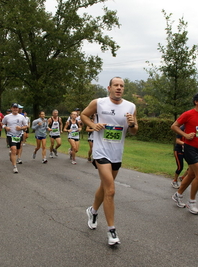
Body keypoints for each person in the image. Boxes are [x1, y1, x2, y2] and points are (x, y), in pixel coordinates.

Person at [81, 76, 138, 246]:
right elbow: (84, 115)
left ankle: (92, 211)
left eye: (121, 86)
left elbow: (134, 131)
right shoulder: (99, 103)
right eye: (116, 85)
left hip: (116, 153)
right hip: (101, 151)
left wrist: (132, 123)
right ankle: (111, 230)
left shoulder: (131, 106)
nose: (119, 88)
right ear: (109, 87)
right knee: (111, 190)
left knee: (105, 186)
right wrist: (93, 124)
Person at [2, 103, 28, 173]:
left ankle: (11, 154)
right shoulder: (7, 117)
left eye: (16, 108)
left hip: (19, 135)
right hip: (10, 135)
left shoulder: (21, 117)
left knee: (17, 152)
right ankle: (14, 166)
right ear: (11, 108)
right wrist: (5, 127)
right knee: (14, 149)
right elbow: (2, 123)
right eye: (14, 108)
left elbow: (26, 126)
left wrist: (21, 128)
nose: (15, 109)